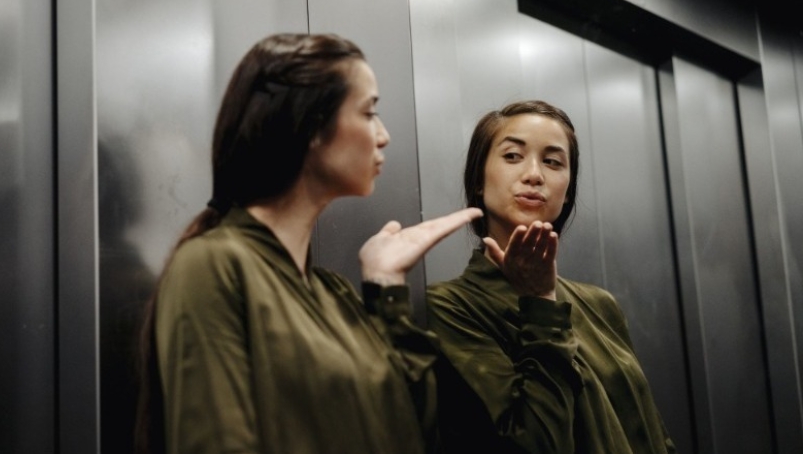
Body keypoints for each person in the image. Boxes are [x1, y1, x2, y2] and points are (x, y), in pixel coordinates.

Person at [134, 32, 481, 454]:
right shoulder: (213, 266)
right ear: (312, 127)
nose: (384, 135)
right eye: (369, 112)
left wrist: (387, 286)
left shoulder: (331, 292)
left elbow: (408, 427)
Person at [426, 100, 677, 453]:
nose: (534, 175)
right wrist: (541, 304)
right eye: (513, 156)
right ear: (479, 179)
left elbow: (650, 430)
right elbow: (534, 442)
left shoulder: (598, 304)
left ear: (568, 189)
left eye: (553, 161)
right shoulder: (450, 305)